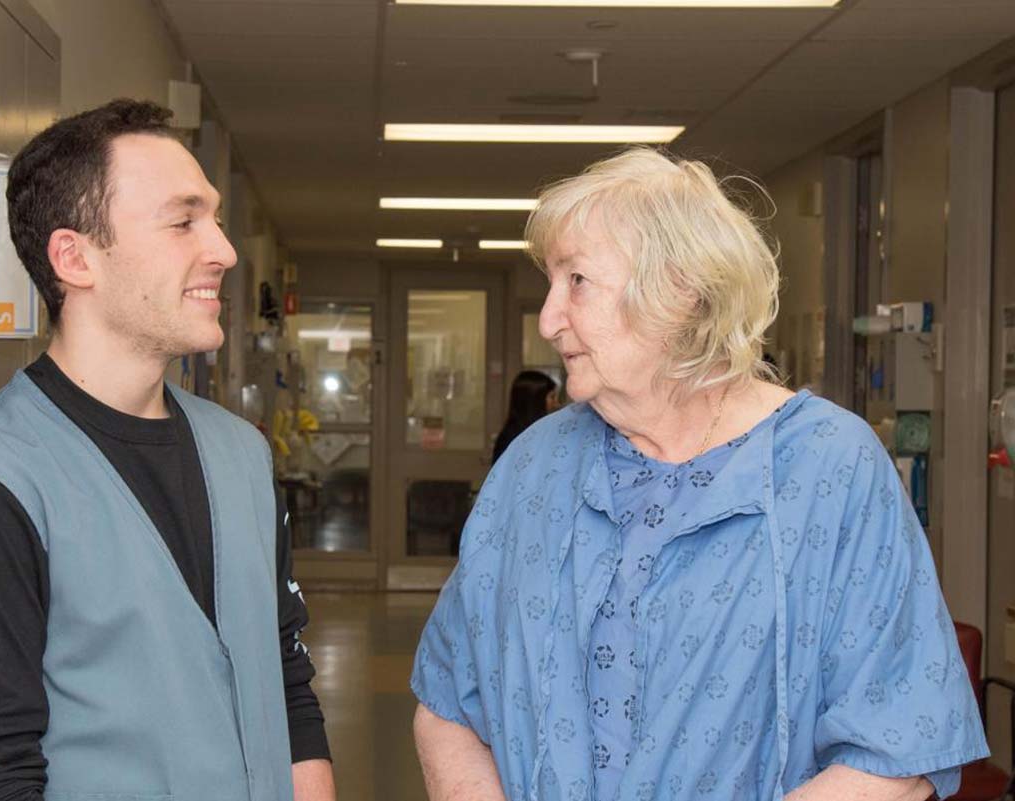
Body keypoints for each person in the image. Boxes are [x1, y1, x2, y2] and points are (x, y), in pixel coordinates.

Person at [411, 148, 986, 801]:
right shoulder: (533, 468)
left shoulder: (830, 467)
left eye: (576, 280)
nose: (548, 319)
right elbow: (447, 699)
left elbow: (897, 754)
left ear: (679, 290)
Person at [0, 100, 335, 801]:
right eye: (183, 220)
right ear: (75, 257)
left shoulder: (240, 457)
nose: (222, 249)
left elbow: (287, 680)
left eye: (214, 220)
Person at [492, 370, 559, 465]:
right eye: (552, 397)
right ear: (535, 399)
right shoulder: (514, 440)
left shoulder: (543, 431)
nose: (556, 404)